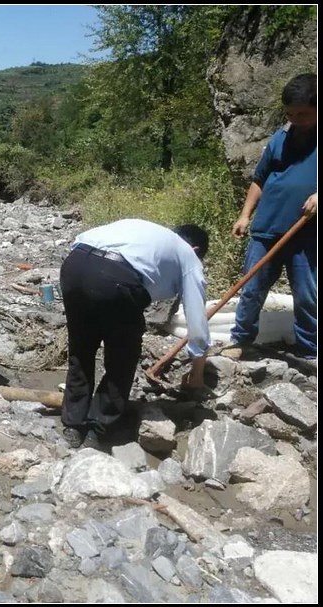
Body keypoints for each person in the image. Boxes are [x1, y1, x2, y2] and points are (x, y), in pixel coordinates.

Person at [60, 220, 211, 448]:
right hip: (116, 279)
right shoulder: (188, 255)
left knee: (82, 349)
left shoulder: (151, 235)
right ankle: (98, 430)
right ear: (196, 250)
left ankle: (73, 424)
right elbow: (197, 322)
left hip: (74, 267)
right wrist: (197, 373)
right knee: (122, 357)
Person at [229, 73, 317, 360]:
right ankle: (241, 340)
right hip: (267, 229)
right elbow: (260, 179)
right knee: (251, 288)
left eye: (303, 114)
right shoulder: (281, 137)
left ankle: (309, 351)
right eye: (290, 114)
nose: (295, 120)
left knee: (307, 295)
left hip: (306, 234)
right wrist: (245, 216)